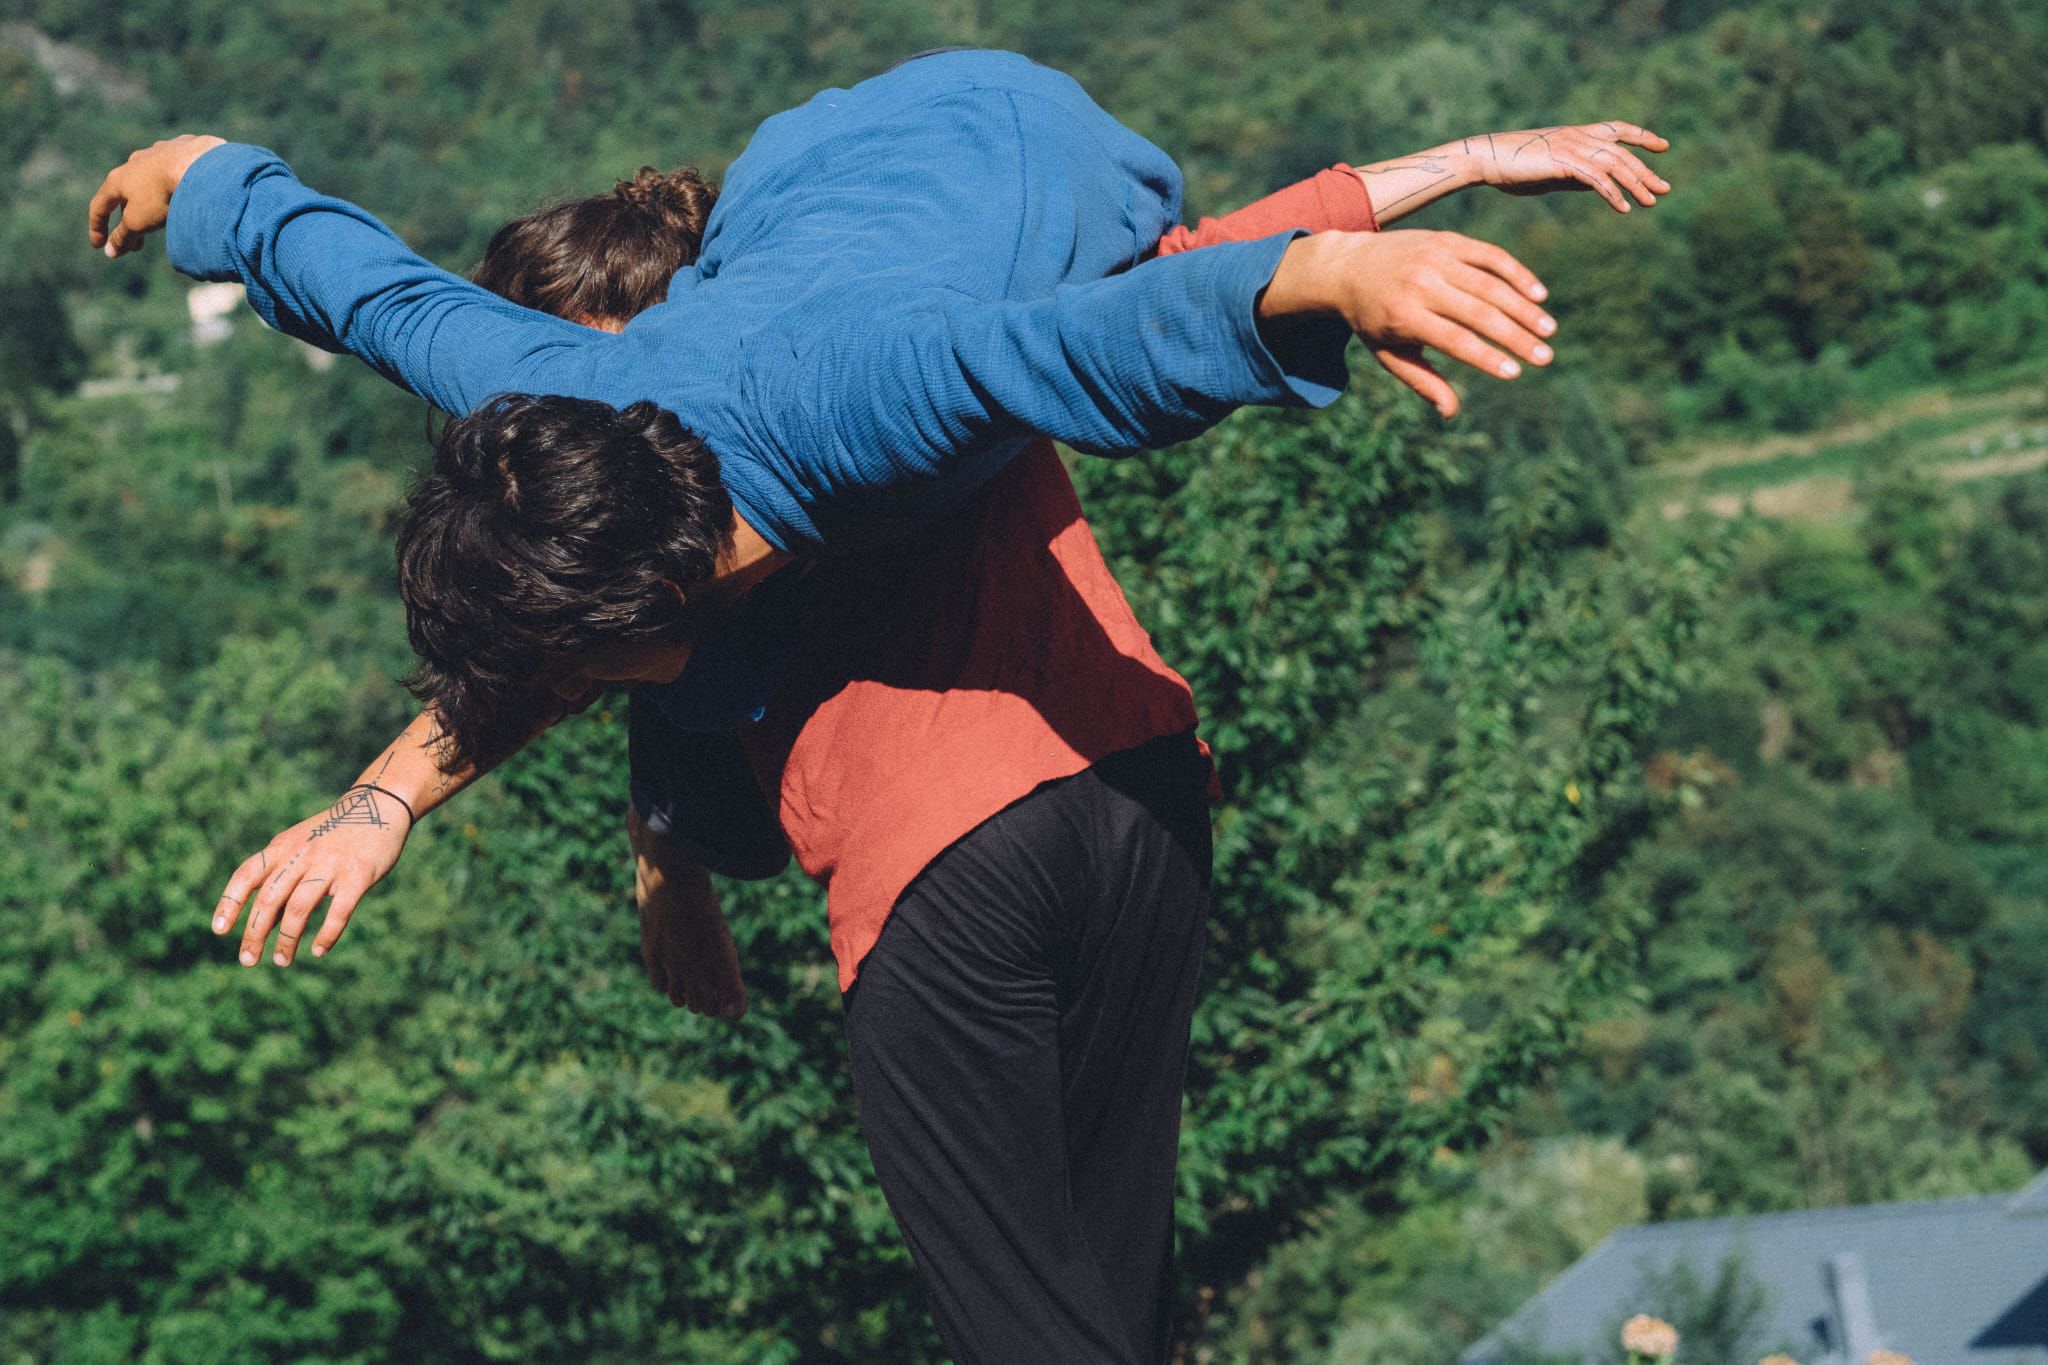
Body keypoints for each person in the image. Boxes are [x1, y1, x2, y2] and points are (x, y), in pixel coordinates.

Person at [90, 51, 1668, 1362]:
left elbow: (1083, 344)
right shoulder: (555, 407)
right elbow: (363, 287)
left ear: (653, 616)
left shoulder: (849, 404)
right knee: (1105, 1315)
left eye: (575, 673)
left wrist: (1327, 279)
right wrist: (198, 177)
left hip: (1030, 214)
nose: (562, 697)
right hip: (1140, 792)